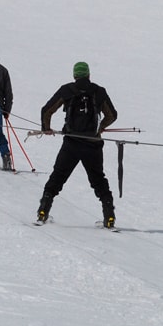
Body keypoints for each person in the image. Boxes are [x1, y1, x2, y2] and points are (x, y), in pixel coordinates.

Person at [36, 62, 118, 228]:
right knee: (98, 180)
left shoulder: (67, 90)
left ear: (74, 76)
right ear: (88, 75)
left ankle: (43, 210)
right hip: (92, 144)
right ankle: (109, 216)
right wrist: (100, 128)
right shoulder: (98, 91)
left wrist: (46, 128)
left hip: (71, 142)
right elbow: (112, 115)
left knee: (58, 176)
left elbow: (47, 110)